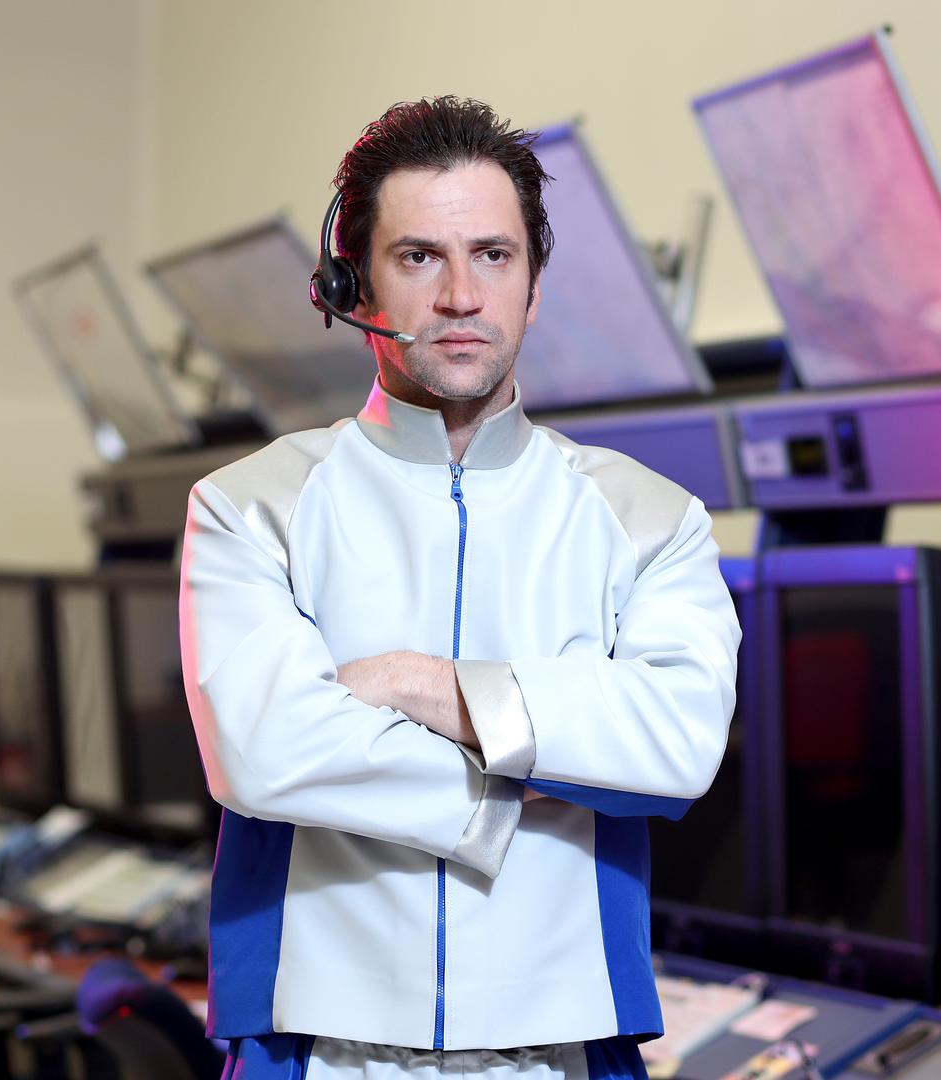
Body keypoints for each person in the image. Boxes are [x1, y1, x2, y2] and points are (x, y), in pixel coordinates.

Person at [179, 96, 740, 1080]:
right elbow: (261, 755)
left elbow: (679, 745)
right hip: (320, 1051)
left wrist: (413, 683)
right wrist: (543, 761)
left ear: (532, 285)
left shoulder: (652, 519)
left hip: (562, 1050)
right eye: (419, 257)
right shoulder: (248, 507)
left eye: (493, 255)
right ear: (352, 285)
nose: (462, 296)